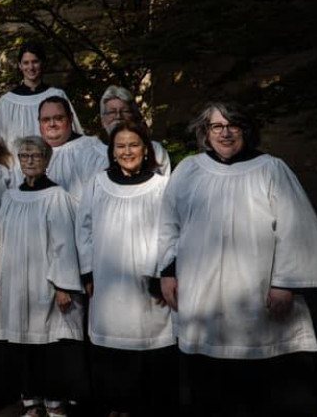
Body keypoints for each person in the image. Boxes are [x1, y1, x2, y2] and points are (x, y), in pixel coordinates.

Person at [156, 102, 317, 415]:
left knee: (269, 386)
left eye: (233, 125)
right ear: (206, 132)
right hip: (203, 295)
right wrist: (166, 271)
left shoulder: (271, 168)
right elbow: (168, 224)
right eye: (217, 126)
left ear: (246, 129)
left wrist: (284, 283)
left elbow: (294, 228)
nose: (225, 133)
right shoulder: (189, 169)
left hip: (260, 294)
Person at [75, 121, 179, 415]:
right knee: (112, 351)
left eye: (133, 145)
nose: (127, 151)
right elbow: (83, 230)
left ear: (146, 149)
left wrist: (164, 274)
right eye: (120, 146)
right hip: (108, 282)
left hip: (149, 282)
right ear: (112, 151)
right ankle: (117, 406)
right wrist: (87, 272)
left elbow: (173, 233)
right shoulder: (97, 183)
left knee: (150, 348)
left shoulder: (162, 186)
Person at [0, 136, 85, 417]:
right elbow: (0, 239)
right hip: (16, 284)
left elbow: (65, 243)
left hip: (46, 283)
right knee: (22, 346)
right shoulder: (10, 196)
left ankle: (55, 403)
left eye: (36, 156)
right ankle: (32, 402)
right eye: (24, 156)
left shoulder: (57, 196)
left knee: (49, 347)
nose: (29, 160)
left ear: (47, 160)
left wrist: (63, 285)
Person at [0, 41, 82, 145]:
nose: (31, 67)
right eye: (26, 63)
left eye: (35, 62)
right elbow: (0, 142)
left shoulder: (57, 96)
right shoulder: (7, 102)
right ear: (20, 66)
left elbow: (72, 135)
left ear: (42, 63)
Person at [93, 85, 171, 176]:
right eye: (112, 112)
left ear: (134, 116)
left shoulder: (155, 150)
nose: (118, 117)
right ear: (103, 120)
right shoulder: (91, 155)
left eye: (125, 111)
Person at [40, 95, 106, 200]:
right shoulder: (33, 154)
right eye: (46, 120)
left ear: (70, 118)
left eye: (58, 118)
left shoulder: (92, 150)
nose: (52, 124)